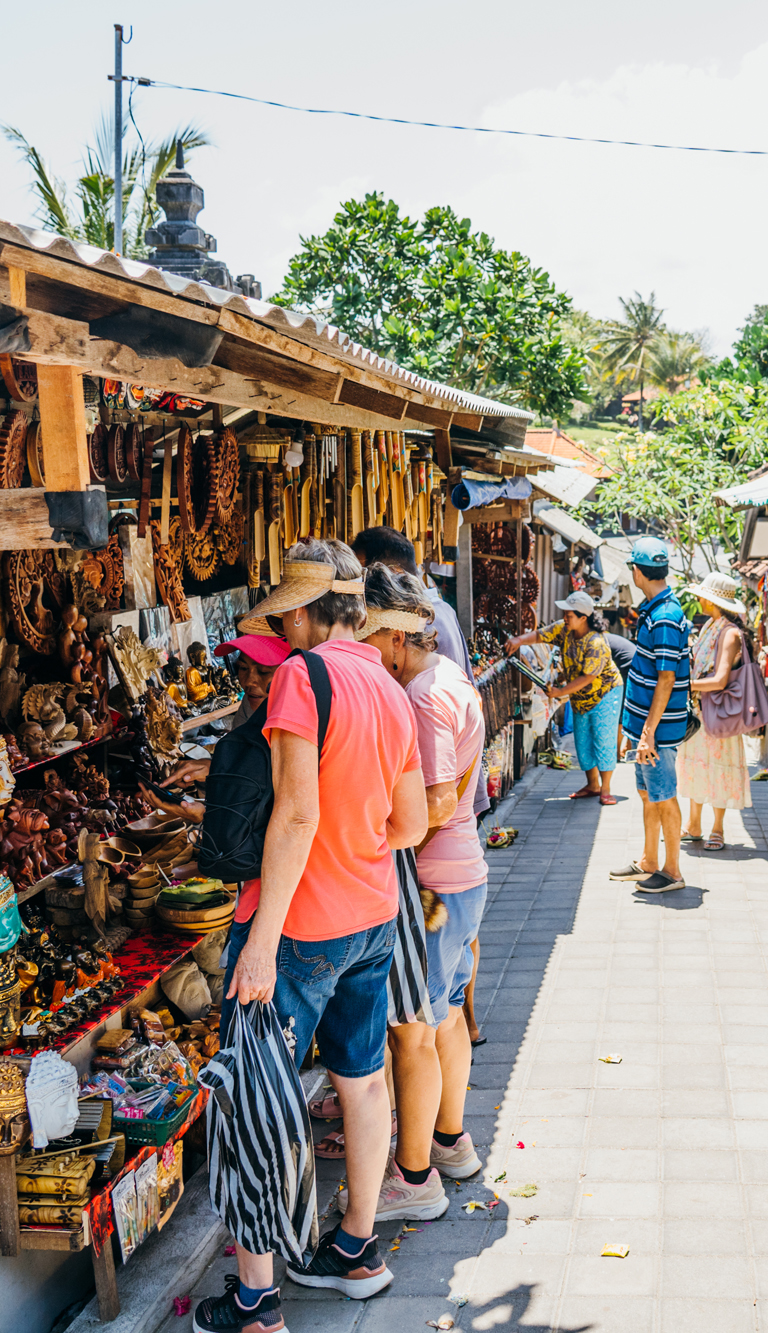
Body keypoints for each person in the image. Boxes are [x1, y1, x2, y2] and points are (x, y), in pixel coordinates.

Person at [195, 541, 427, 1333]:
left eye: (283, 614)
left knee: (256, 1096)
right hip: (371, 919)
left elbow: (296, 813)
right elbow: (411, 822)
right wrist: (355, 836)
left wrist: (260, 940)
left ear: (298, 611)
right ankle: (357, 1248)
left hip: (297, 926)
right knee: (361, 1081)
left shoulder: (306, 675)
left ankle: (257, 1300)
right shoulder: (387, 683)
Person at [356, 566, 488, 1221]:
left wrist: (374, 825)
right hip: (463, 873)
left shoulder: (424, 694)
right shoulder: (449, 678)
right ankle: (450, 1140)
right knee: (446, 1016)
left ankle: (414, 1178)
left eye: (371, 634)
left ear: (397, 636)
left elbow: (434, 799)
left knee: (417, 1028)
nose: (367, 651)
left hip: (434, 879)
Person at [142, 628, 294, 826]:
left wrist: (217, 780)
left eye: (264, 671)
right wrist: (212, 776)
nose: (248, 681)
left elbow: (278, 797)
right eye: (243, 668)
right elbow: (243, 761)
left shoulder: (296, 718)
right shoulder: (251, 703)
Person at [610, 536, 691, 894]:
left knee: (663, 794)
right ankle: (648, 861)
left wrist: (648, 732)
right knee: (648, 793)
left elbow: (667, 677)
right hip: (647, 724)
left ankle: (672, 871)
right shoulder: (655, 609)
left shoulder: (664, 616)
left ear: (637, 572)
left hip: (656, 729)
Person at [505, 591, 623, 804]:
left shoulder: (596, 643)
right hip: (579, 695)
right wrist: (518, 640)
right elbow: (541, 635)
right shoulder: (565, 629)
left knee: (603, 738)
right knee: (582, 740)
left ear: (583, 618)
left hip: (604, 693)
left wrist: (560, 692)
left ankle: (605, 789)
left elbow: (589, 676)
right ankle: (592, 785)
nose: (565, 618)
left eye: (569, 615)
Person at [678, 571, 754, 850]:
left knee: (718, 767)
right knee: (697, 765)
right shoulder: (711, 626)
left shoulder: (729, 633)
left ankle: (717, 828)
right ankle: (694, 824)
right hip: (703, 710)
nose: (698, 599)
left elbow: (721, 679)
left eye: (702, 595)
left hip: (719, 712)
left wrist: (685, 685)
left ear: (711, 600)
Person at [352, 526, 470, 683]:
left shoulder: (415, 622)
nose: (360, 586)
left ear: (393, 573)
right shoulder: (444, 610)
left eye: (365, 576)